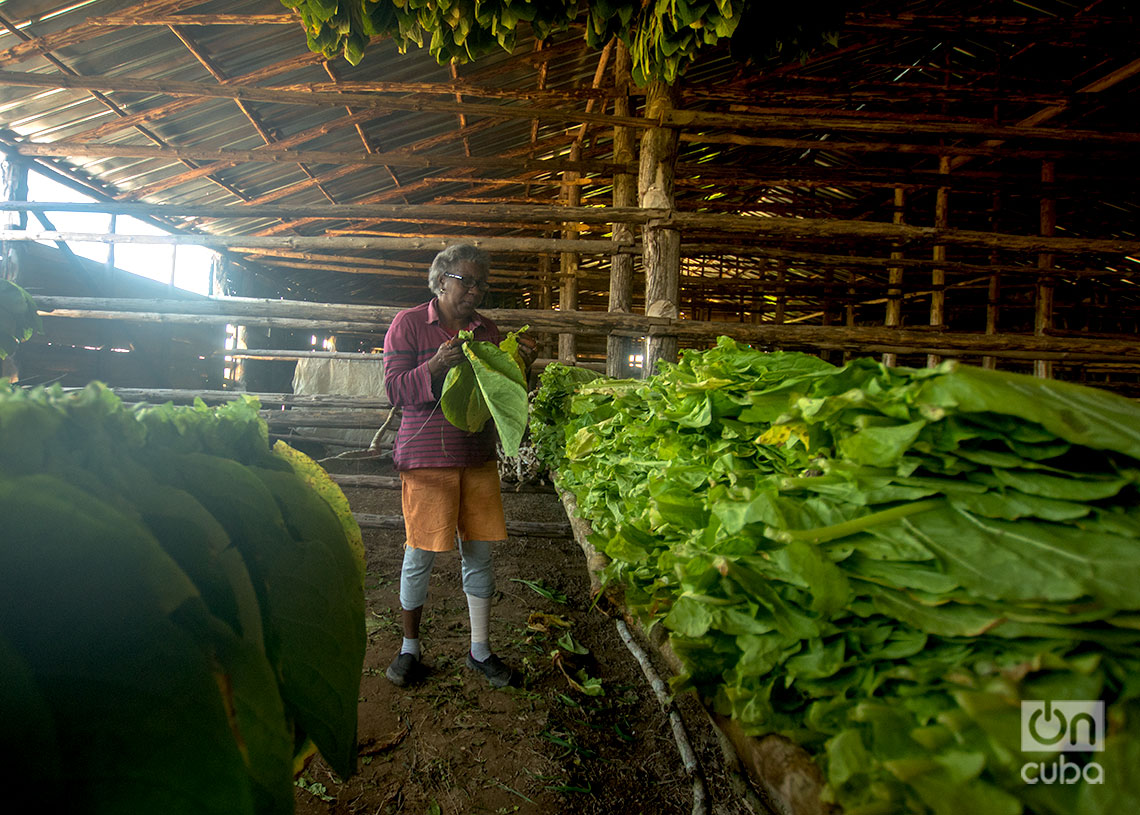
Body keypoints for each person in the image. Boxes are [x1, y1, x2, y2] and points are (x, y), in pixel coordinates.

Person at [381, 243, 536, 689]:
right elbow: (393, 391)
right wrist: (434, 365)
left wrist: (521, 363)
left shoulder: (487, 330)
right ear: (441, 279)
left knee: (480, 554)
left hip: (477, 458)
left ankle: (480, 649)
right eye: (466, 280)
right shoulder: (409, 325)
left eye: (481, 283)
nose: (474, 290)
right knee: (420, 554)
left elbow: (501, 393)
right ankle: (410, 648)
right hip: (426, 459)